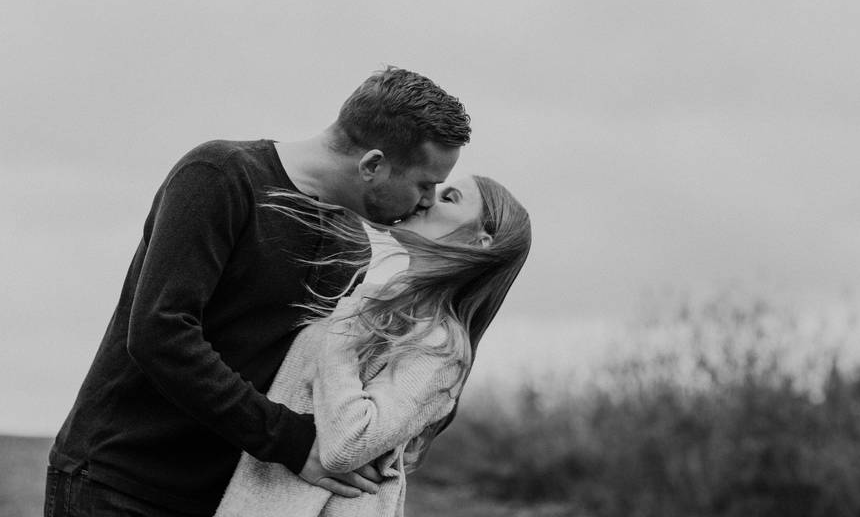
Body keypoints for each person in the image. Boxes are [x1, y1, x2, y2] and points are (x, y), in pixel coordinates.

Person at [44, 67, 472, 516]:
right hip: (120, 482)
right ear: (373, 165)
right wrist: (290, 440)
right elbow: (160, 333)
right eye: (426, 184)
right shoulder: (220, 176)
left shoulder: (353, 247)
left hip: (224, 497)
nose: (428, 201)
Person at [215, 174, 531, 516]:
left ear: (481, 243)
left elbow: (347, 446)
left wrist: (343, 335)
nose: (426, 199)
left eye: (450, 198)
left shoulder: (440, 347)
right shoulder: (372, 302)